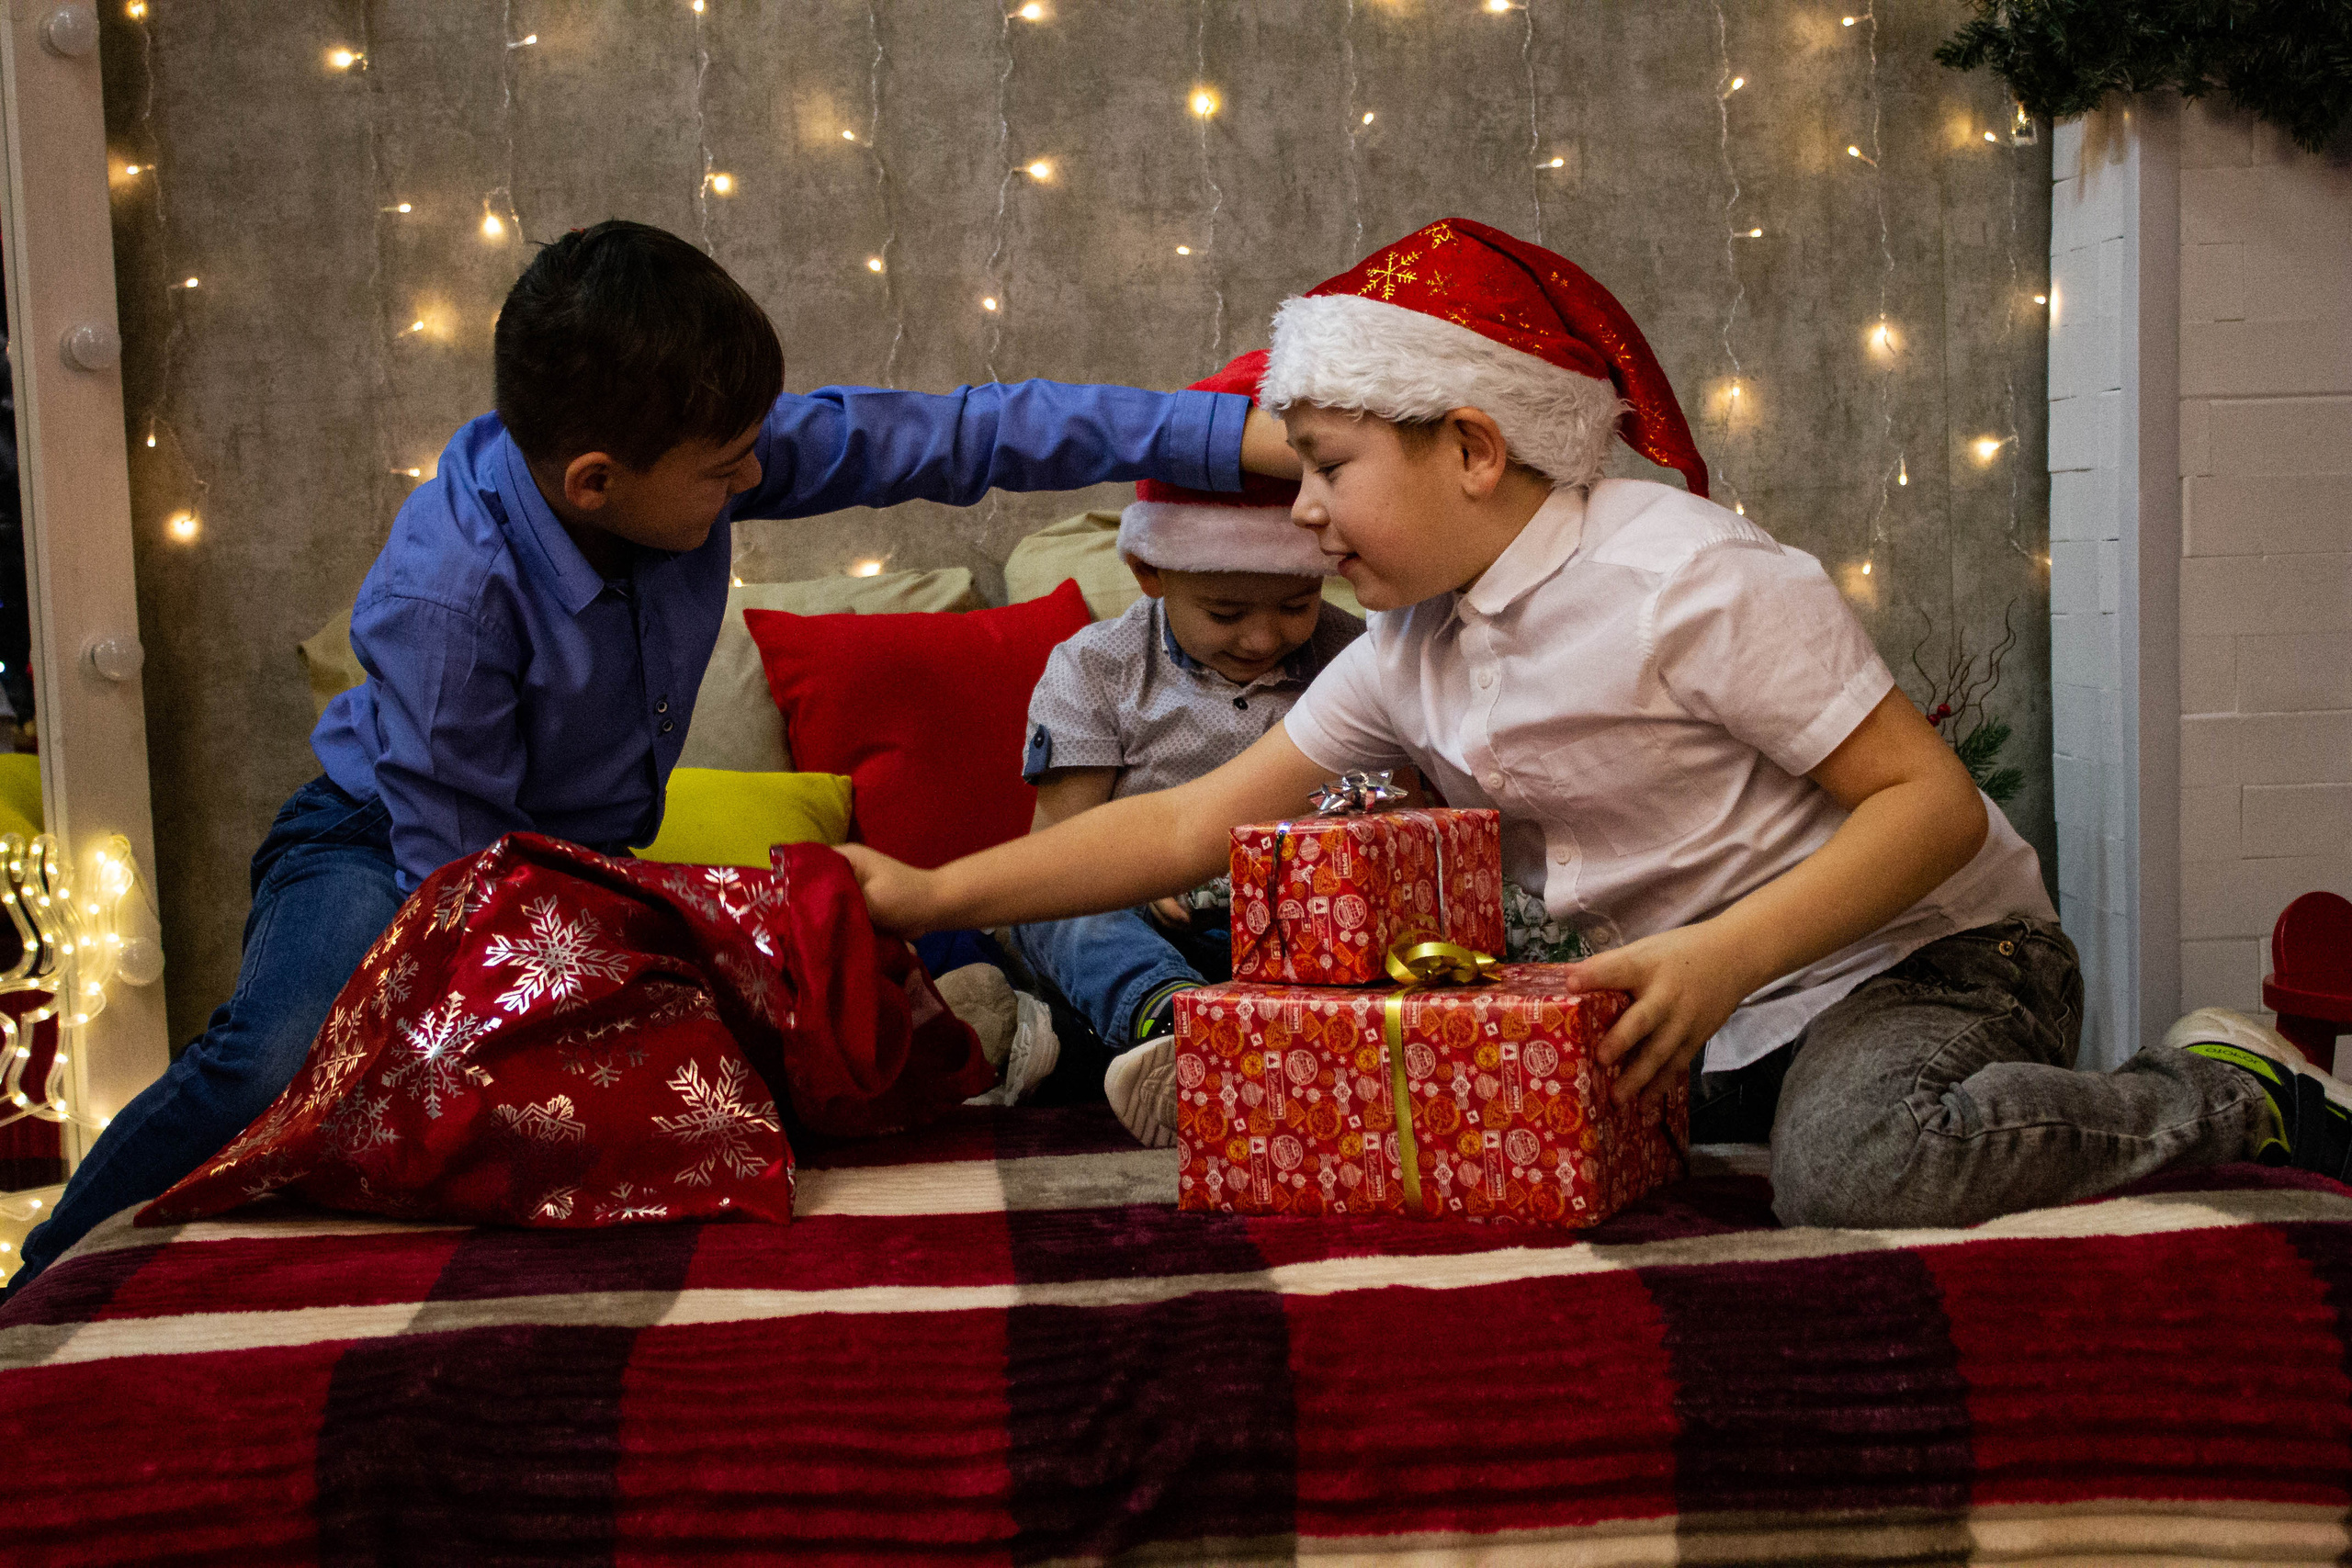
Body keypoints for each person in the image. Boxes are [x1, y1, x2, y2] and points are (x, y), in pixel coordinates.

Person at [843, 217, 2352, 1224]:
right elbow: (1178, 820)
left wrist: (1724, 955)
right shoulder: (1406, 650)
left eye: (1325, 468)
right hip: (1699, 1003)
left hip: (1920, 957)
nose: (1301, 514)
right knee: (1442, 1131)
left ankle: (2224, 1090)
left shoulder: (1683, 574)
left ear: (1477, 446)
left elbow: (1931, 806)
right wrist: (928, 892)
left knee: (1855, 1165)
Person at [5, 219, 1296, 1293]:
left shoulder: (685, 450)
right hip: (397, 850)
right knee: (280, 1052)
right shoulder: (447, 598)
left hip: (577, 865)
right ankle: (45, 1281)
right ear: (594, 478)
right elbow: (464, 897)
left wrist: (1237, 442)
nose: (754, 477)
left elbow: (968, 434)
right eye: (726, 470)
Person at [1010, 354, 1362, 1145]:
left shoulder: (1354, 658)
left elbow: (1395, 804)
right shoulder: (1096, 668)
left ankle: (1291, 1045)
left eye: (1297, 605)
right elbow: (1058, 847)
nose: (1264, 636)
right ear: (1149, 572)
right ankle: (1177, 1032)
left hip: (1300, 920)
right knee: (1061, 915)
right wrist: (1140, 886)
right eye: (1228, 611)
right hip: (1144, 921)